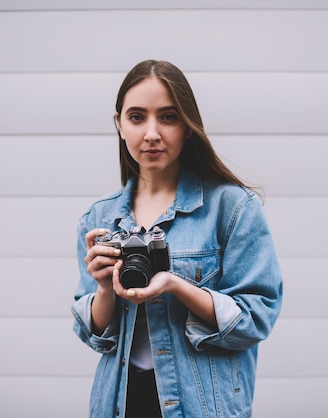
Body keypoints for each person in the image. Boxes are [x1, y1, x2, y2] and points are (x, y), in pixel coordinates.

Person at [71, 59, 283, 417]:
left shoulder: (231, 208)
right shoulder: (99, 219)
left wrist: (174, 286)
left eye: (168, 116)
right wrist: (105, 289)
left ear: (187, 126)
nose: (151, 133)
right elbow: (94, 335)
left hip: (202, 403)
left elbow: (256, 318)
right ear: (119, 125)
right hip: (118, 402)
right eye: (137, 117)